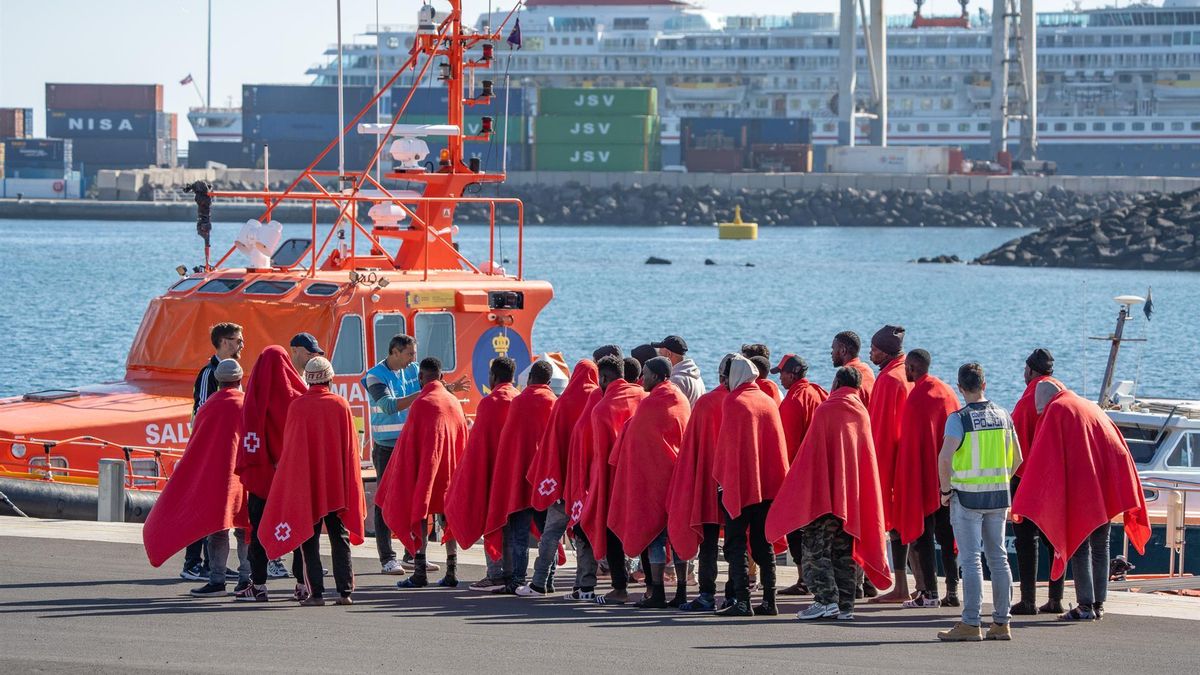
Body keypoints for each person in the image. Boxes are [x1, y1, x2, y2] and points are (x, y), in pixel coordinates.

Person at [1012, 380, 1150, 623]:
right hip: (1106, 482)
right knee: (1101, 545)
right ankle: (1098, 604)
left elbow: (1043, 457)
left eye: (1041, 411)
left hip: (1084, 488)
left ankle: (1085, 606)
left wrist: (1025, 497)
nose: (1042, 416)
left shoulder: (1057, 408)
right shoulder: (1088, 405)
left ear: (1046, 402)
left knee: (1078, 544)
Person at [766, 366, 891, 622]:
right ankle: (845, 606)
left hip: (824, 499)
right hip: (850, 499)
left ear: (836, 383)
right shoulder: (861, 412)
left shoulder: (827, 410)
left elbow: (810, 457)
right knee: (843, 553)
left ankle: (825, 600)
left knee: (815, 550)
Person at [259, 357, 366, 606]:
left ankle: (315, 594)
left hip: (308, 487)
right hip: (337, 486)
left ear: (307, 380)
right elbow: (350, 451)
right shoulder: (340, 405)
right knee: (339, 537)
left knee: (309, 539)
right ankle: (345, 592)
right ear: (330, 378)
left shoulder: (297, 407)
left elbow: (291, 452)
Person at [143, 358, 251, 598]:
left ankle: (217, 580)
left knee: (218, 530)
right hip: (245, 478)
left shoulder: (208, 407)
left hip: (217, 479)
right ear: (239, 380)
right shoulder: (248, 404)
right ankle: (247, 580)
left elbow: (196, 446)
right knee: (245, 530)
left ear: (218, 381)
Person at [363, 334, 468, 576]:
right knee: (384, 499)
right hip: (387, 447)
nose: (413, 358)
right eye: (409, 353)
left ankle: (413, 554)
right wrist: (427, 393)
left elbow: (431, 389)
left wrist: (446, 389)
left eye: (414, 353)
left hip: (412, 444)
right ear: (395, 352)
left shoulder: (412, 369)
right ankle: (387, 558)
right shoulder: (375, 376)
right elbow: (389, 406)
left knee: (417, 497)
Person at [936, 362, 1020, 641]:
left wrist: (945, 491)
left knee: (971, 560)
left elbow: (945, 458)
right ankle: (1002, 622)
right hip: (998, 496)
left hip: (967, 498)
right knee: (999, 558)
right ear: (984, 384)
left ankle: (971, 623)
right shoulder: (1004, 415)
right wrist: (1001, 479)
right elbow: (1018, 458)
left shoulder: (958, 419)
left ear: (960, 388)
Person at [608, 357, 691, 608]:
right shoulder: (681, 399)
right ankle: (682, 592)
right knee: (678, 536)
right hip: (679, 479)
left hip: (655, 481)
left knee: (655, 537)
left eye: (646, 373)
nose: (642, 378)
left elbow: (636, 442)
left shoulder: (651, 404)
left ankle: (657, 592)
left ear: (656, 376)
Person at [712, 354, 789, 617]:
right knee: (762, 542)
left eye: (725, 376)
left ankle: (743, 601)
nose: (723, 381)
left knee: (735, 543)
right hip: (767, 486)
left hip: (740, 484)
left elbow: (727, 448)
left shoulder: (734, 402)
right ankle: (769, 600)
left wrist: (724, 482)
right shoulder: (767, 401)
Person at [521, 359, 599, 597]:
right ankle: (584, 586)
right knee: (585, 533)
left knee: (551, 532)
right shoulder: (598, 398)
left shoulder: (564, 401)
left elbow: (551, 442)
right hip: (587, 483)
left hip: (562, 481)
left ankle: (539, 583)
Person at [236, 345, 307, 601]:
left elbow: (249, 435)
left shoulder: (253, 398)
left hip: (263, 476)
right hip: (292, 477)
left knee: (259, 530)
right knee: (299, 528)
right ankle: (302, 584)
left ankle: (258, 585)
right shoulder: (300, 395)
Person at [443, 357, 519, 591]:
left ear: (493, 377)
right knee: (512, 526)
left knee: (492, 523)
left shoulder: (489, 403)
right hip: (515, 475)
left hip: (493, 474)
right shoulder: (519, 398)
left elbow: (478, 445)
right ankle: (512, 575)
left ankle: (494, 575)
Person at [482, 360, 558, 594]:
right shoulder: (554, 402)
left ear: (530, 377)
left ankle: (516, 580)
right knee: (548, 534)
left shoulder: (519, 402)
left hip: (521, 478)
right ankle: (548, 580)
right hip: (545, 481)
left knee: (519, 535)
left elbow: (510, 444)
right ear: (549, 381)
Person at [893, 349, 961, 609]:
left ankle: (929, 593)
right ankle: (952, 591)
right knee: (947, 537)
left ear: (911, 367)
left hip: (924, 478)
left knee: (924, 536)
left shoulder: (917, 397)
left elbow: (911, 446)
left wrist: (906, 479)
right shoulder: (947, 392)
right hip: (950, 478)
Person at [667, 355, 732, 612]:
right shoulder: (746, 401)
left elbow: (691, 446)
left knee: (709, 543)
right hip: (736, 483)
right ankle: (736, 595)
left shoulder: (707, 403)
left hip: (708, 482)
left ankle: (706, 595)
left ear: (721, 376)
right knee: (737, 542)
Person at [580, 354, 646, 605]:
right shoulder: (643, 397)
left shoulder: (601, 409)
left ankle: (620, 588)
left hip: (613, 482)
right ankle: (653, 588)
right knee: (646, 531)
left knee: (612, 534)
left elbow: (600, 456)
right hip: (641, 477)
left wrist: (595, 488)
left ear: (605, 378)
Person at [181, 322, 243, 582]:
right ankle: (193, 563)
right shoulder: (210, 373)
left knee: (218, 507)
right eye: (238, 340)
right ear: (224, 342)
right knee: (203, 505)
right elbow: (205, 411)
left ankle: (213, 562)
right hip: (208, 452)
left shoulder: (232, 371)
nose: (241, 345)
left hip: (224, 451)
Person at [1009, 348, 1066, 615]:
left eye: (1025, 369)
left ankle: (1028, 600)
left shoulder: (1028, 398)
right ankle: (1055, 598)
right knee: (1054, 538)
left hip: (1027, 478)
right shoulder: (1061, 392)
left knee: (1025, 539)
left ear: (1031, 370)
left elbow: (1015, 442)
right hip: (1055, 479)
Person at [562, 346, 622, 601]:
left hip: (589, 481)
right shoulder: (630, 397)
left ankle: (584, 586)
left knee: (583, 531)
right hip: (616, 480)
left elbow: (579, 441)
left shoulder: (594, 402)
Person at [865, 324, 915, 604]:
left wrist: (876, 472)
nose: (870, 354)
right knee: (914, 525)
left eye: (873, 349)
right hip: (910, 460)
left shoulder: (889, 379)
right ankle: (924, 587)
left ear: (884, 352)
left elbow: (881, 430)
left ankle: (901, 586)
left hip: (892, 464)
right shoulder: (908, 372)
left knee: (896, 527)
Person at [772, 353, 829, 596]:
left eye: (783, 373)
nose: (780, 378)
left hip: (799, 475)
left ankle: (804, 578)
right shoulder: (818, 392)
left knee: (795, 529)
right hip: (821, 473)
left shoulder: (793, 401)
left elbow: (786, 445)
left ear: (793, 374)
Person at [652, 335, 705, 407]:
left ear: (669, 354)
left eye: (660, 354)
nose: (658, 358)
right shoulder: (696, 376)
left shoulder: (675, 380)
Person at [831, 331, 874, 406]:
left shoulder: (843, 377)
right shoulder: (868, 369)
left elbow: (834, 407)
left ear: (843, 350)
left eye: (833, 348)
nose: (831, 353)